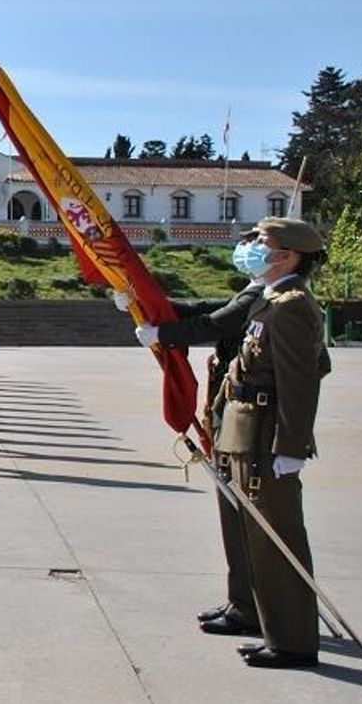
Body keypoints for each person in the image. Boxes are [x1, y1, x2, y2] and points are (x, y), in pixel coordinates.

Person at [184, 217, 329, 669]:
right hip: (246, 433)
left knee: (276, 540)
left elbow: (303, 379)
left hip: (267, 440)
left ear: (287, 255)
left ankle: (293, 643)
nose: (251, 248)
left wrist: (292, 445)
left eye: (261, 243)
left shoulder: (291, 305)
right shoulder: (271, 301)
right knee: (255, 538)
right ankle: (271, 626)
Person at [116, 229, 268, 639]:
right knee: (233, 516)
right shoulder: (254, 292)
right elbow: (206, 310)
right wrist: (146, 305)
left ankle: (253, 607)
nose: (248, 249)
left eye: (258, 242)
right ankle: (241, 602)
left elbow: (215, 324)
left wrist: (161, 334)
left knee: (245, 517)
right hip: (228, 414)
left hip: (248, 420)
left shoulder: (268, 298)